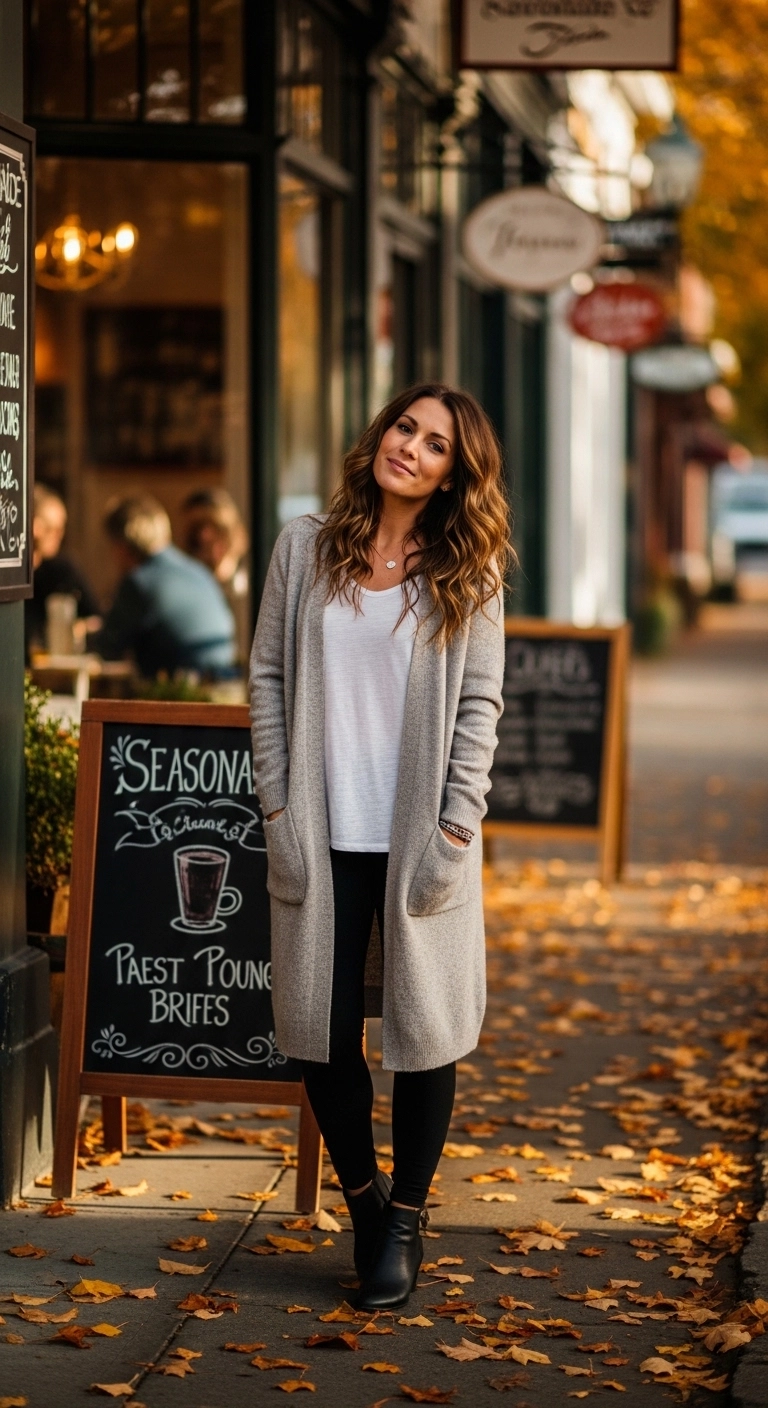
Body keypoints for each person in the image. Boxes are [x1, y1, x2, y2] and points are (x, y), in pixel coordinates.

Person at [249, 383, 512, 1311]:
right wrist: (278, 809)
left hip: (418, 841)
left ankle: (406, 1217)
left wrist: (453, 827)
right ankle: (364, 1203)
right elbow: (269, 680)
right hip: (320, 834)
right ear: (382, 434)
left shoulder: (467, 572)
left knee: (425, 1034)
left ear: (452, 475)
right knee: (319, 1035)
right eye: (406, 427)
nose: (412, 448)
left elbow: (479, 707)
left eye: (436, 444)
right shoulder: (305, 546)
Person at [91, 495, 236, 680]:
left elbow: (107, 649)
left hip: (182, 697)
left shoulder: (138, 582)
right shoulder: (199, 571)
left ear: (121, 546)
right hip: (227, 689)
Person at [25, 485, 100, 655]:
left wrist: (78, 628)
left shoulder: (63, 569)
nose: (59, 535)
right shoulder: (14, 573)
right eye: (53, 528)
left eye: (62, 528)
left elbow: (95, 616)